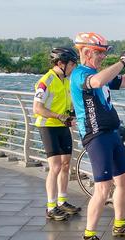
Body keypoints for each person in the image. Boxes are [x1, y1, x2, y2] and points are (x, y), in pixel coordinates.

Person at [70, 32, 125, 240]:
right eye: (99, 53)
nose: (102, 57)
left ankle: (120, 224)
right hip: (96, 136)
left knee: (124, 180)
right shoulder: (80, 74)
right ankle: (89, 235)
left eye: (104, 53)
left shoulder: (98, 72)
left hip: (112, 133)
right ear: (85, 52)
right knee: (103, 187)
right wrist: (121, 61)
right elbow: (97, 82)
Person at [33, 47, 82, 221]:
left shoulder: (66, 81)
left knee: (66, 164)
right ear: (61, 63)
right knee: (55, 167)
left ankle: (62, 201)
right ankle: (51, 206)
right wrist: (59, 116)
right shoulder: (46, 81)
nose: (74, 67)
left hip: (62, 126)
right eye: (72, 64)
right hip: (48, 127)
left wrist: (73, 115)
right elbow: (37, 108)